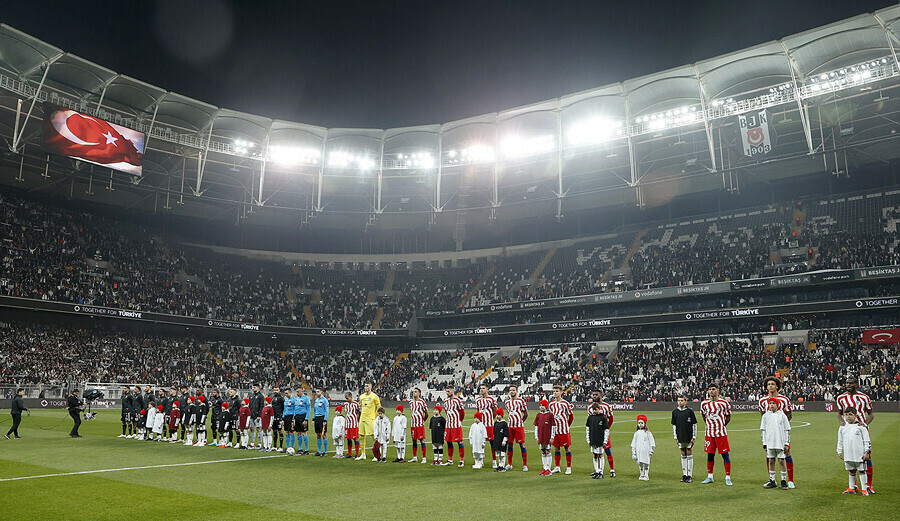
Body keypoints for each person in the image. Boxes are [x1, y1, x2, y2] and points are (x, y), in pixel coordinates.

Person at [837, 376, 875, 494]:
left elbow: (871, 414)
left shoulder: (864, 397)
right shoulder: (841, 398)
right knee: (851, 455)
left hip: (861, 431)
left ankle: (869, 486)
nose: (848, 385)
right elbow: (839, 414)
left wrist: (865, 424)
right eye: (847, 383)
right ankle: (853, 486)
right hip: (849, 430)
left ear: (856, 384)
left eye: (851, 383)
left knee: (866, 457)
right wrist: (842, 422)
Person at [759, 376, 795, 488]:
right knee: (770, 456)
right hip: (770, 433)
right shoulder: (762, 401)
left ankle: (790, 480)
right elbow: (763, 417)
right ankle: (772, 479)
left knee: (786, 453)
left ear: (777, 386)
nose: (770, 386)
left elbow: (789, 415)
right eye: (768, 384)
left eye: (773, 384)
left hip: (781, 433)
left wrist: (780, 426)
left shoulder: (784, 400)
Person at [700, 382, 733, 485]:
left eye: (713, 389)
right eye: (710, 389)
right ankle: (710, 476)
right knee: (710, 455)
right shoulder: (704, 403)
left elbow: (728, 417)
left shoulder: (724, 403)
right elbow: (703, 416)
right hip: (709, 433)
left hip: (721, 433)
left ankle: (728, 477)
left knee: (725, 455)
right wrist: (710, 425)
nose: (711, 391)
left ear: (718, 391)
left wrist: (721, 426)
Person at [836, 406, 871, 496]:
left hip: (859, 454)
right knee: (851, 471)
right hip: (848, 453)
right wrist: (839, 451)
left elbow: (866, 440)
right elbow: (840, 440)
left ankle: (864, 489)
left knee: (862, 470)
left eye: (850, 415)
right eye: (846, 415)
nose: (848, 417)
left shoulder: (861, 426)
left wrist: (867, 451)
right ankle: (851, 488)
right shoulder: (842, 427)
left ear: (855, 416)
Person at [760, 399, 791, 490]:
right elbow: (763, 430)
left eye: (774, 403)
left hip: (780, 442)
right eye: (770, 403)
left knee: (781, 461)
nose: (772, 405)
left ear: (778, 405)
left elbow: (787, 430)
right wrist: (764, 443)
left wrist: (786, 443)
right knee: (771, 461)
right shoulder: (765, 416)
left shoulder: (782, 416)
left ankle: (783, 481)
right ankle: (772, 480)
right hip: (770, 442)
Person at [672, 394, 698, 483]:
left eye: (682, 400)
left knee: (689, 451)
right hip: (680, 436)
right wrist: (675, 437)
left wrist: (694, 437)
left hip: (688, 436)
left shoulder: (690, 411)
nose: (680, 402)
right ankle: (684, 474)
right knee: (683, 452)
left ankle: (690, 475)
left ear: (686, 401)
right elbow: (674, 425)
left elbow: (694, 424)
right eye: (679, 400)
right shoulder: (675, 412)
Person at [549, 385, 574, 475]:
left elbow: (571, 416)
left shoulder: (566, 404)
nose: (555, 393)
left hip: (564, 430)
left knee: (567, 448)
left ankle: (568, 467)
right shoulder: (551, 404)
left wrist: (567, 426)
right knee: (556, 448)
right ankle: (557, 467)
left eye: (557, 391)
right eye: (554, 391)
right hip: (555, 430)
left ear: (561, 392)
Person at [591, 390, 616, 477]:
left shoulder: (606, 406)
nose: (594, 396)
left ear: (600, 395)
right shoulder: (590, 407)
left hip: (603, 433)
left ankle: (612, 470)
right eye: (593, 395)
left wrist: (605, 429)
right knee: (596, 453)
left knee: (607, 451)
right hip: (595, 434)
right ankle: (597, 470)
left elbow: (611, 419)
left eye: (596, 395)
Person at [505, 385, 529, 471]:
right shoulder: (507, 402)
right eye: (510, 390)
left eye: (513, 390)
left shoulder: (521, 401)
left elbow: (526, 414)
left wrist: (521, 421)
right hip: (510, 426)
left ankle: (525, 465)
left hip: (519, 426)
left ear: (517, 391)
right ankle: (509, 464)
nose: (512, 392)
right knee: (509, 444)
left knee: (522, 445)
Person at [443, 384, 466, 467]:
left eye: (449, 391)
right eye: (446, 391)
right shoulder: (445, 401)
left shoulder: (457, 400)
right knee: (448, 442)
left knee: (459, 441)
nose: (447, 393)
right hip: (448, 425)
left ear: (453, 390)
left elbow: (462, 412)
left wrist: (459, 421)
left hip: (456, 425)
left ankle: (461, 461)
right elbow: (446, 411)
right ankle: (450, 460)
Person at [476, 384, 498, 468]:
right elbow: (478, 411)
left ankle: (494, 461)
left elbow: (495, 410)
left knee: (492, 443)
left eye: (483, 388)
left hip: (489, 425)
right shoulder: (477, 399)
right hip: (481, 425)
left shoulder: (491, 399)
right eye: (480, 388)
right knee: (480, 443)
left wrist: (491, 419)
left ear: (487, 389)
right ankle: (481, 461)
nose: (481, 390)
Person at [586, 402, 610, 479]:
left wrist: (605, 441)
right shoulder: (590, 418)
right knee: (595, 455)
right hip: (593, 439)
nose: (594, 411)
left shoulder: (603, 418)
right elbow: (587, 429)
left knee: (600, 455)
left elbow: (606, 430)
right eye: (593, 409)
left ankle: (601, 472)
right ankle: (596, 471)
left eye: (596, 409)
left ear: (599, 409)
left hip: (600, 440)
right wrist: (588, 440)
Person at [357, 382, 381, 461]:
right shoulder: (362, 397)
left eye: (367, 386)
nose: (365, 387)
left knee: (373, 436)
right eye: (365, 386)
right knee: (361, 436)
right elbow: (361, 407)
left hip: (370, 419)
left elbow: (379, 407)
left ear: (371, 387)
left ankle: (377, 454)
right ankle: (363, 454)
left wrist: (374, 416)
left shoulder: (374, 397)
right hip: (362, 418)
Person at [533, 399, 554, 476]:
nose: (541, 407)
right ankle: (544, 468)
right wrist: (536, 436)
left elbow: (553, 427)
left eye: (543, 405)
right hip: (540, 436)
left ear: (546, 406)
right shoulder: (538, 415)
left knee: (548, 451)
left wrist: (552, 437)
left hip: (547, 436)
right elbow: (536, 426)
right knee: (543, 451)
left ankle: (549, 469)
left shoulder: (550, 415)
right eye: (540, 405)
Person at [631, 415, 655, 481]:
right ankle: (641, 474)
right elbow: (634, 443)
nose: (640, 424)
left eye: (642, 423)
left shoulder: (648, 433)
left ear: (645, 424)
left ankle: (646, 474)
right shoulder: (636, 433)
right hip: (639, 450)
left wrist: (651, 450)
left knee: (646, 463)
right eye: (639, 423)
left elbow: (652, 442)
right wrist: (634, 452)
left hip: (646, 450)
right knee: (640, 463)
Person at [408, 388, 429, 463]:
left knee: (422, 440)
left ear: (419, 393)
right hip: (413, 425)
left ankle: (424, 458)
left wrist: (423, 421)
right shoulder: (411, 403)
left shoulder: (422, 402)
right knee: (414, 440)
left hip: (420, 425)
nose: (414, 393)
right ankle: (415, 457)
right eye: (413, 392)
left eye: (416, 392)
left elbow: (427, 413)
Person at [312, 388, 330, 457]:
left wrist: (325, 420)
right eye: (316, 391)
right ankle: (319, 451)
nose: (317, 393)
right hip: (316, 418)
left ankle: (325, 452)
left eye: (318, 391)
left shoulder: (325, 400)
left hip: (322, 418)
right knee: (318, 434)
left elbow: (326, 411)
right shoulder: (316, 400)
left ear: (321, 392)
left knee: (324, 434)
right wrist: (313, 419)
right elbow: (315, 411)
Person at [343, 392, 361, 458]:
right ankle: (349, 453)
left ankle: (357, 454)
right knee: (348, 438)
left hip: (354, 424)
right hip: (348, 424)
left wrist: (358, 420)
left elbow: (360, 413)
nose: (346, 400)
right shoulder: (345, 404)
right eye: (346, 398)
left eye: (347, 398)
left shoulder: (356, 404)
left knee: (355, 438)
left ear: (351, 396)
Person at [492, 408, 509, 473]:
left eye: (498, 415)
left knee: (502, 454)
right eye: (496, 415)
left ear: (501, 415)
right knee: (498, 454)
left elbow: (506, 433)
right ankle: (499, 465)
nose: (497, 416)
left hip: (502, 442)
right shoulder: (496, 423)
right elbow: (494, 432)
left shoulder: (504, 423)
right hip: (497, 441)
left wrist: (504, 440)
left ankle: (502, 466)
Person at [295, 387, 311, 455]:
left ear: (302, 391)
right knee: (298, 433)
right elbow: (295, 409)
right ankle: (300, 449)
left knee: (304, 432)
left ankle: (306, 450)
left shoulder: (306, 398)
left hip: (303, 416)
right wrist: (294, 418)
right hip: (297, 416)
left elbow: (309, 409)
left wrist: (306, 419)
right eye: (296, 392)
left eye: (298, 391)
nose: (297, 393)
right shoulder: (297, 399)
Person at [249, 384, 264, 450]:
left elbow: (261, 406)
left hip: (257, 416)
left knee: (259, 429)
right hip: (251, 415)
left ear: (258, 388)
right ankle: (252, 443)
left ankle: (260, 444)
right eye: (253, 387)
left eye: (254, 387)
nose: (253, 388)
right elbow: (250, 405)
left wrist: (259, 415)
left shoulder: (261, 396)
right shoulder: (251, 395)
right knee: (252, 429)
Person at [282, 388, 297, 454]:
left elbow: (295, 409)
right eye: (285, 393)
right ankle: (288, 447)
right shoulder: (286, 400)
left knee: (292, 431)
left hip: (291, 416)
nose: (285, 394)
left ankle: (292, 447)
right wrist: (283, 418)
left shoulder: (294, 400)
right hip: (286, 417)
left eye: (286, 393)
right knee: (287, 431)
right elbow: (284, 409)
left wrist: (293, 418)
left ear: (290, 392)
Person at [271, 387, 285, 452]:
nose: (275, 391)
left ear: (279, 390)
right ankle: (274, 445)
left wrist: (282, 417)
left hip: (279, 416)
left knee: (280, 431)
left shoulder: (281, 398)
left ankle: (281, 446)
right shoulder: (272, 397)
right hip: (273, 416)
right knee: (274, 431)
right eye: (274, 390)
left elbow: (283, 407)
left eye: (277, 390)